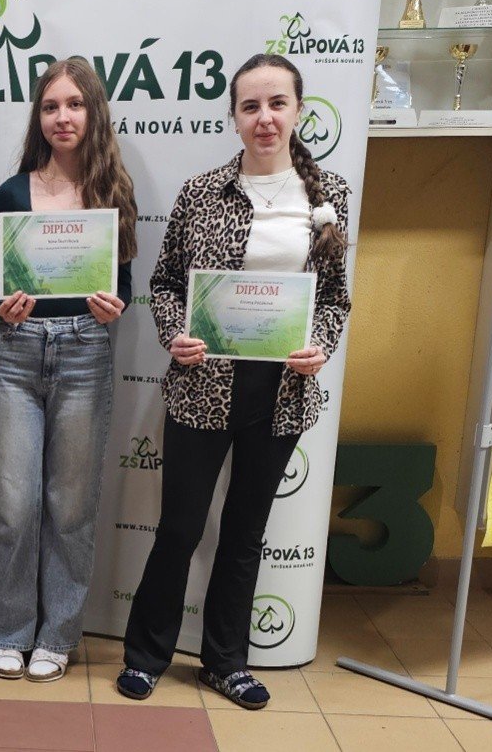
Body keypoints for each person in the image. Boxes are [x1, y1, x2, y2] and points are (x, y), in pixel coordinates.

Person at [116, 52, 351, 709]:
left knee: (245, 535)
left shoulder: (329, 195)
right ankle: (146, 655)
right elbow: (166, 283)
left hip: (281, 394)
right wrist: (174, 334)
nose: (264, 118)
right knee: (179, 529)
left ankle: (225, 662)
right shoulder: (201, 192)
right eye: (250, 106)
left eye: (277, 103)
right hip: (202, 387)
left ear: (297, 111)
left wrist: (319, 344)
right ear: (234, 116)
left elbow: (334, 297)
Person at [0, 57, 136, 682]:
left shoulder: (112, 192)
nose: (62, 117)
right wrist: (2, 304)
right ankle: (9, 632)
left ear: (93, 112)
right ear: (37, 118)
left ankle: (57, 636)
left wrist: (113, 306)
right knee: (13, 507)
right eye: (50, 106)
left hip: (84, 351)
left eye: (74, 104)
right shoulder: (12, 193)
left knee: (70, 509)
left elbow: (122, 285)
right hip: (17, 352)